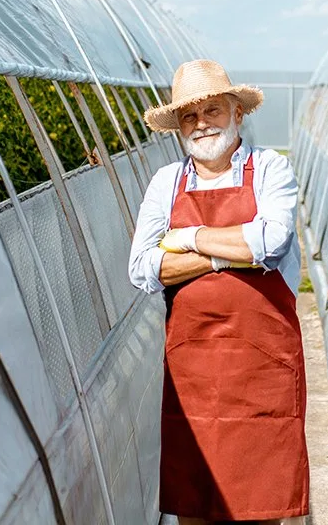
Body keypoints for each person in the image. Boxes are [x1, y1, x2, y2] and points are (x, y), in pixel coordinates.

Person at [129, 59, 309, 525]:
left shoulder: (270, 169)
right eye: (190, 116)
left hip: (263, 369)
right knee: (195, 509)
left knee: (261, 509)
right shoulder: (166, 184)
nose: (202, 123)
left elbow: (272, 242)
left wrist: (188, 239)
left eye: (212, 109)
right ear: (177, 128)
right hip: (194, 375)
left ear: (237, 113)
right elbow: (144, 267)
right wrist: (228, 252)